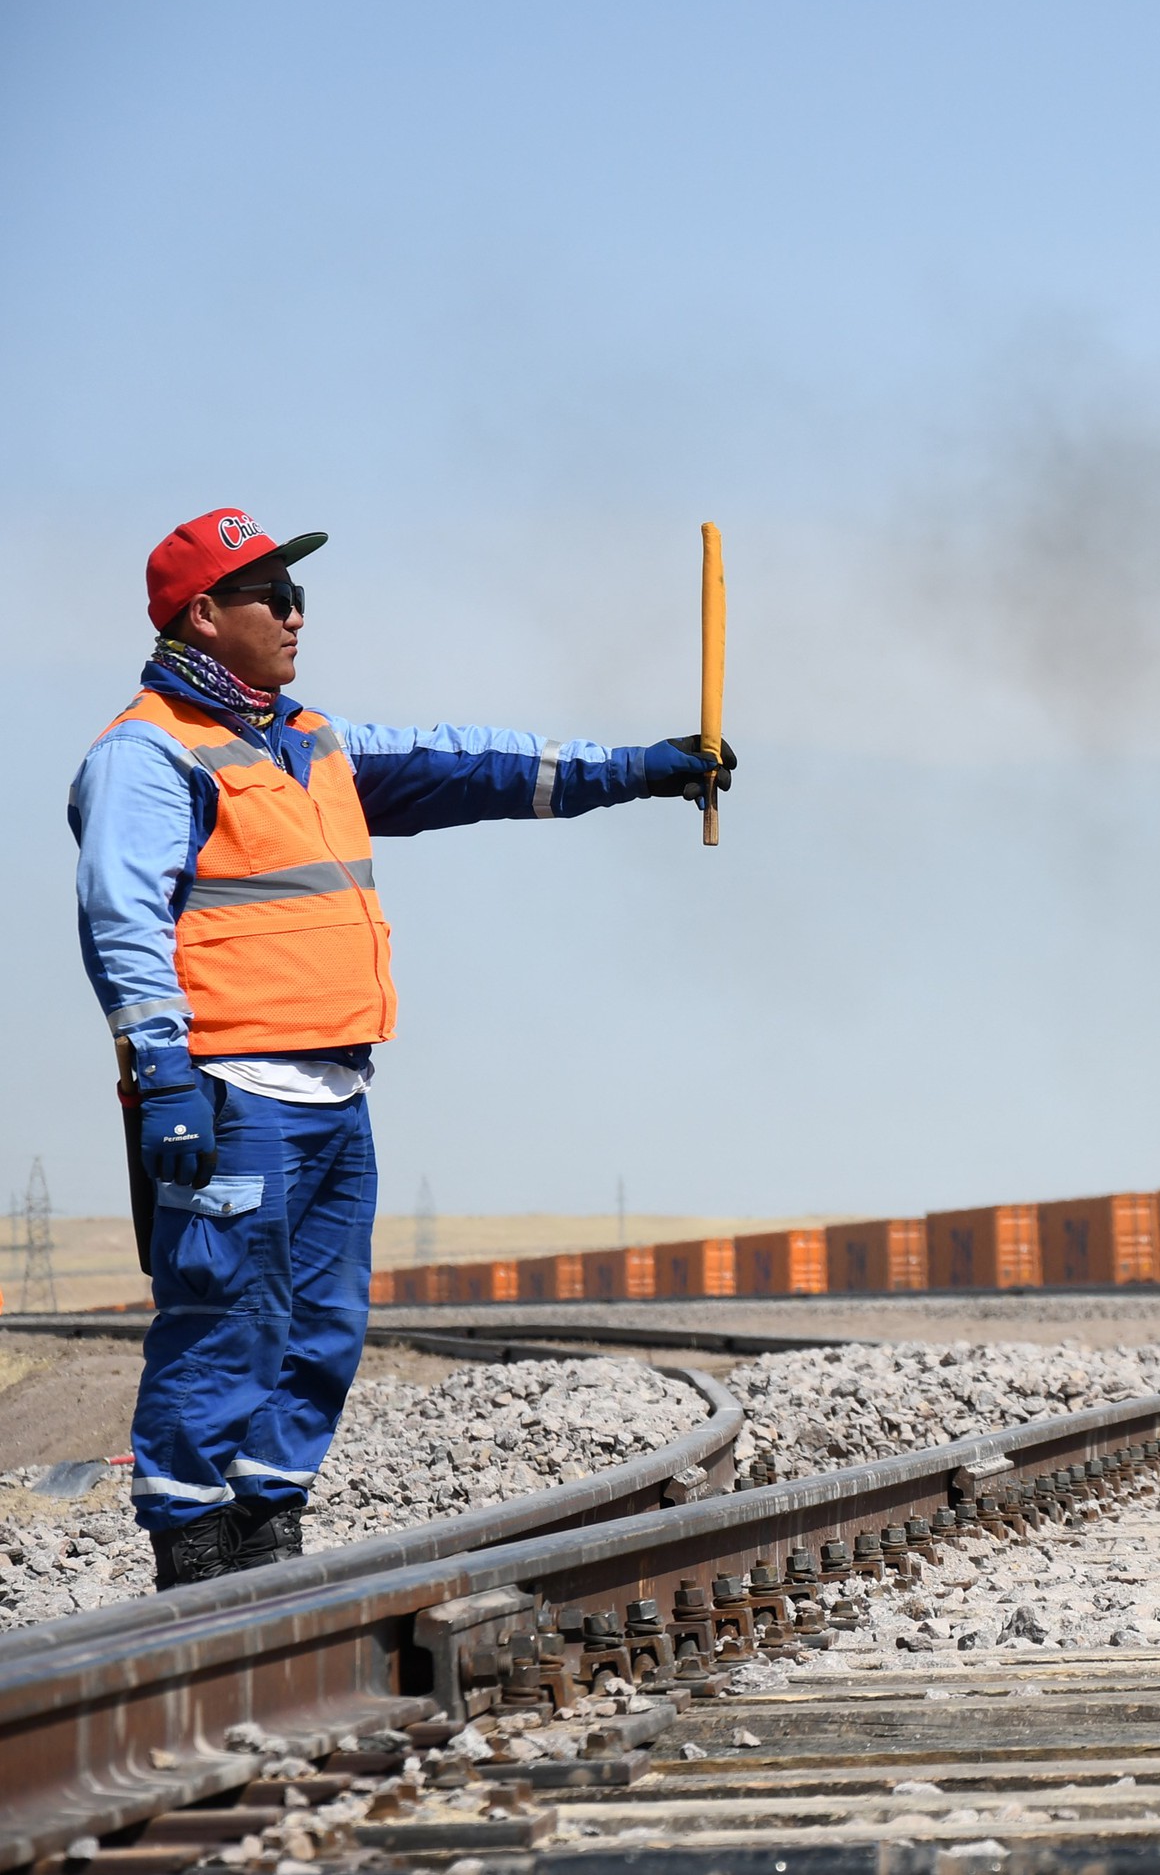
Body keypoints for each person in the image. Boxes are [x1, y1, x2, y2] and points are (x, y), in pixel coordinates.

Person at [69, 508, 737, 1588]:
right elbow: (122, 916)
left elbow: (469, 766)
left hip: (333, 1093)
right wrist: (162, 1073)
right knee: (223, 1322)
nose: (295, 611)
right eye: (269, 594)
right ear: (203, 613)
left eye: (298, 592)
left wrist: (641, 770)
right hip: (231, 1094)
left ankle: (267, 1541)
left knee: (323, 1329)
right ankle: (190, 1560)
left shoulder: (310, 739)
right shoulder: (148, 756)